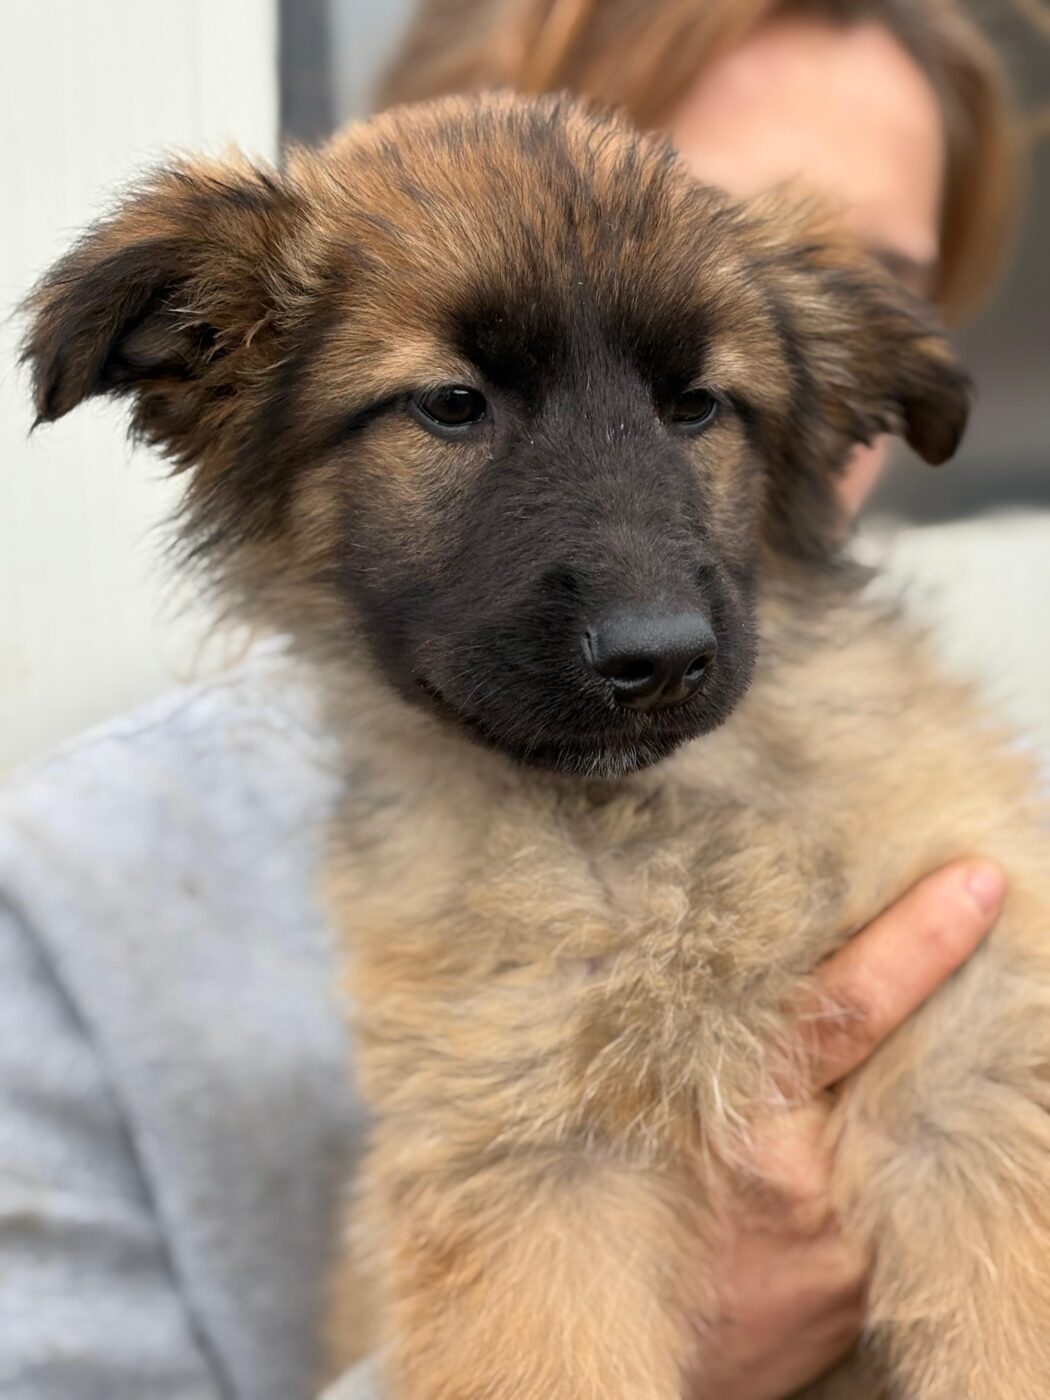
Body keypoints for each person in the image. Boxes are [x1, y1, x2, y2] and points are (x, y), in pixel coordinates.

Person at [0, 2, 1028, 1398]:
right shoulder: (67, 891)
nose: (650, 621)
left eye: (695, 401)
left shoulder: (918, 791)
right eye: (450, 405)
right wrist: (722, 1339)